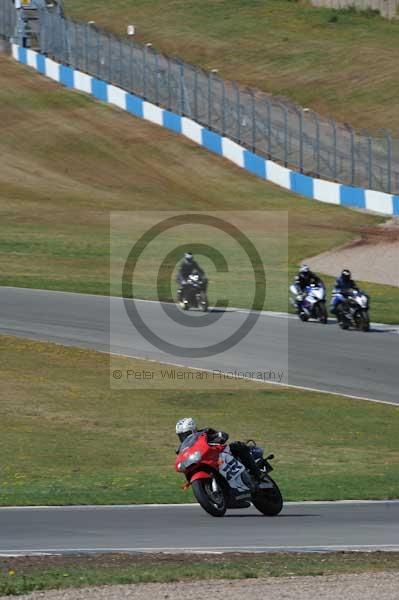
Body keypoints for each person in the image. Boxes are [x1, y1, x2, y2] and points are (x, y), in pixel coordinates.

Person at [175, 417, 263, 485]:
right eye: (181, 435)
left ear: (193, 430)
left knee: (238, 446)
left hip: (219, 453)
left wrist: (219, 436)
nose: (184, 437)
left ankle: (257, 475)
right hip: (207, 462)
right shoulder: (183, 448)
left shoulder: (204, 433)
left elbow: (221, 434)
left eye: (186, 434)